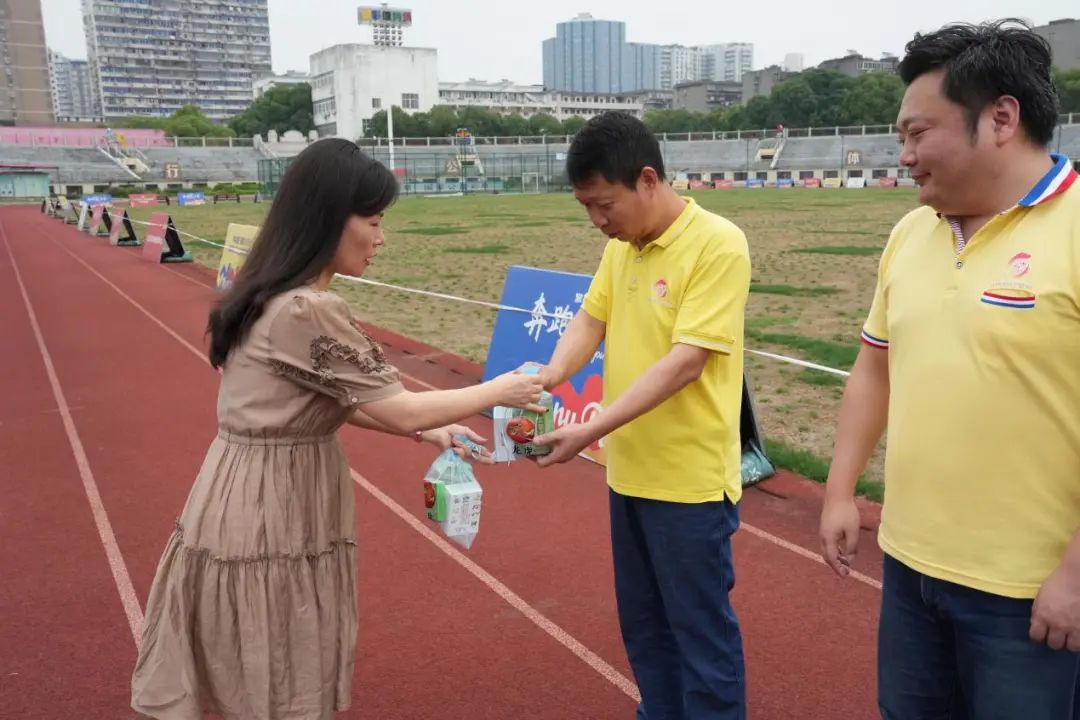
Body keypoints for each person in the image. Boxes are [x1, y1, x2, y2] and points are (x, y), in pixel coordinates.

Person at [130, 138, 546, 719]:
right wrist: (500, 390)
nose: (381, 239)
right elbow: (400, 407)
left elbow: (329, 399)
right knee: (279, 652)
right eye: (373, 222)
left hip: (240, 486)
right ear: (329, 219)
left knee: (253, 652)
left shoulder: (266, 292)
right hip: (275, 502)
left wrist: (429, 431)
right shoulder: (309, 309)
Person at [818, 19, 1080, 719]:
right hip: (910, 570)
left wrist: (1076, 574)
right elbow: (874, 368)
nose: (904, 155)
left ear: (1000, 119)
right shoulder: (912, 232)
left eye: (917, 133)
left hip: (1030, 594)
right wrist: (840, 491)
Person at [531, 111, 752, 719]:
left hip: (688, 484)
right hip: (628, 474)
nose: (598, 221)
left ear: (648, 179)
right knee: (646, 627)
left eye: (605, 205)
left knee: (700, 633)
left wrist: (591, 428)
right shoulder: (621, 249)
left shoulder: (718, 244)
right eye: (586, 208)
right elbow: (590, 320)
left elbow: (686, 362)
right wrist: (549, 376)